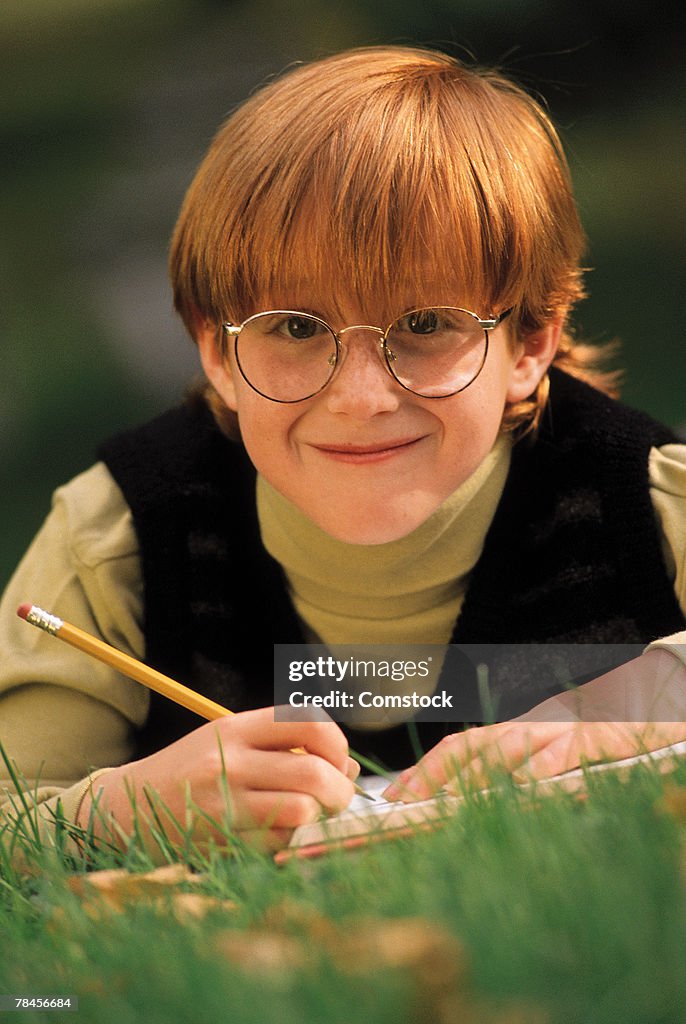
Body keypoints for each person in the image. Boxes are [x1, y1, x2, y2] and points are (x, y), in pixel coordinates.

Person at [1, 45, 685, 856]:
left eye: (426, 325)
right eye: (295, 328)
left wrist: (613, 732)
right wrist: (119, 812)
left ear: (533, 340)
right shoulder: (116, 537)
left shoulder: (643, 500)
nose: (361, 399)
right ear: (215, 353)